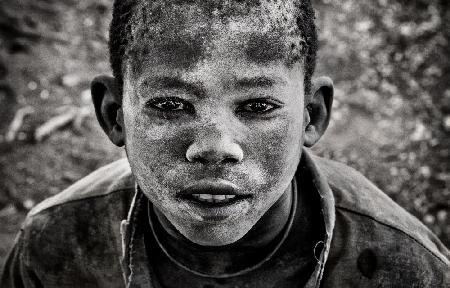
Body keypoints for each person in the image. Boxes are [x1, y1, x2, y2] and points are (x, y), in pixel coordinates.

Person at [2, 0, 449, 287]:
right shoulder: (54, 249)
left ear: (311, 115)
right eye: (172, 105)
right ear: (115, 115)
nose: (216, 148)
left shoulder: (404, 268)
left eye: (256, 107)